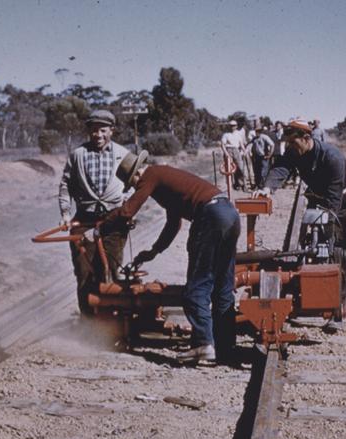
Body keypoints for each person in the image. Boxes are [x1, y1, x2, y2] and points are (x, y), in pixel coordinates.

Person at [102, 151, 241, 362]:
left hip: (210, 216)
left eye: (134, 183)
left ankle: (204, 344)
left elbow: (128, 211)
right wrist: (154, 251)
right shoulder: (166, 181)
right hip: (229, 213)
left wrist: (100, 227)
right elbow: (173, 223)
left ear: (138, 173)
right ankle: (226, 347)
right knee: (222, 286)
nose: (138, 187)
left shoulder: (151, 174)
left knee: (197, 288)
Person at [256, 119, 346, 332]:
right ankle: (309, 289)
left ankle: (338, 307)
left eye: (294, 143)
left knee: (339, 252)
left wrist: (327, 221)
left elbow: (333, 197)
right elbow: (281, 168)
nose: (291, 147)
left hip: (341, 204)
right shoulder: (295, 153)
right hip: (317, 198)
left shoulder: (333, 157)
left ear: (307, 139)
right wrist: (267, 188)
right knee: (311, 246)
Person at [58, 110, 130, 315]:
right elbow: (65, 185)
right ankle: (89, 320)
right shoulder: (78, 155)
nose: (98, 135)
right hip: (84, 220)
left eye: (103, 130)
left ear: (112, 131)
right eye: (94, 130)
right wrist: (65, 213)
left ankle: (114, 317)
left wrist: (127, 204)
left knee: (111, 269)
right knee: (84, 271)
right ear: (88, 131)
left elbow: (135, 183)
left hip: (113, 220)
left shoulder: (123, 154)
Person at [220, 120, 248, 190]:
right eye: (231, 126)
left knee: (241, 168)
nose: (232, 127)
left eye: (234, 125)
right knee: (230, 169)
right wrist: (226, 153)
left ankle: (244, 184)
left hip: (236, 150)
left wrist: (244, 151)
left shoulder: (238, 134)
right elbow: (223, 145)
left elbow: (241, 144)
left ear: (236, 126)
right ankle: (232, 185)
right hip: (228, 150)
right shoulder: (226, 134)